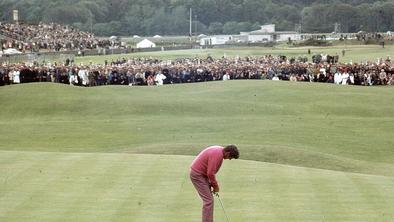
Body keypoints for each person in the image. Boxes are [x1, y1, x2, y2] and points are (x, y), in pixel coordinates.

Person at [190, 144, 239, 222]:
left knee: (209, 199)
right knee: (208, 200)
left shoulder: (219, 151)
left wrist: (212, 184)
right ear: (228, 153)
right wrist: (216, 186)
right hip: (197, 175)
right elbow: (210, 173)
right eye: (230, 157)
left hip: (202, 175)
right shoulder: (218, 155)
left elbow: (209, 173)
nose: (229, 159)